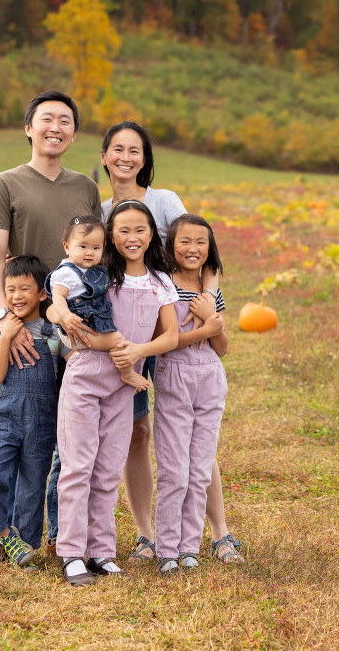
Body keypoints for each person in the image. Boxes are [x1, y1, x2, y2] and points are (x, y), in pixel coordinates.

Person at [99, 120, 241, 564]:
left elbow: (199, 245)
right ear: (104, 156)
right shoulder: (102, 210)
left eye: (135, 150)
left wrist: (209, 300)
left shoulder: (164, 201)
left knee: (196, 442)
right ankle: (149, 535)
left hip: (173, 327)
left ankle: (218, 533)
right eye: (117, 149)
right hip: (130, 334)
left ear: (146, 159)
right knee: (139, 433)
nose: (126, 157)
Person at [0, 90, 101, 561]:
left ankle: (56, 533)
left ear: (73, 131)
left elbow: (92, 252)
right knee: (17, 429)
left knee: (65, 433)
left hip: (74, 325)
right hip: (28, 322)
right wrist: (8, 320)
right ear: (29, 127)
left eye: (65, 120)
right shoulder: (4, 183)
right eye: (46, 119)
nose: (55, 127)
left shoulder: (84, 188)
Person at [51, 200, 179, 585]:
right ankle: (72, 553)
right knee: (78, 465)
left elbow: (170, 335)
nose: (132, 237)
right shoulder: (98, 274)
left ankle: (102, 552)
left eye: (140, 229)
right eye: (122, 230)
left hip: (126, 384)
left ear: (152, 233)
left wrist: (139, 352)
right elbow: (56, 302)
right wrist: (59, 313)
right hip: (88, 376)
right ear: (110, 236)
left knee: (107, 468)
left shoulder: (160, 281)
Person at [0, 256, 71, 570]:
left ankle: (24, 548)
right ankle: (1, 531)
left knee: (32, 485)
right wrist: (5, 337)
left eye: (24, 289)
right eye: (10, 289)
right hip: (6, 414)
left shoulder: (53, 332)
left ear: (41, 293)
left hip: (43, 417)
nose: (16, 295)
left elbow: (73, 360)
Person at [153, 215, 229, 573]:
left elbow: (223, 346)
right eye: (185, 241)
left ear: (209, 248)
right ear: (171, 245)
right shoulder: (162, 286)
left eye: (201, 242)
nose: (193, 249)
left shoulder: (209, 291)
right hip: (175, 374)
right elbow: (162, 342)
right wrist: (205, 327)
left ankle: (189, 547)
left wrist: (211, 315)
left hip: (210, 376)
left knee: (199, 469)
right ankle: (166, 548)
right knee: (174, 469)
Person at [45, 215, 149, 391]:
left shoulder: (94, 270)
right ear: (67, 247)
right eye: (83, 246)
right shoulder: (66, 273)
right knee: (118, 341)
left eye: (96, 247)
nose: (89, 252)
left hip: (93, 320)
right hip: (77, 329)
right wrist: (66, 316)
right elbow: (57, 297)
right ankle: (127, 373)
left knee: (115, 341)